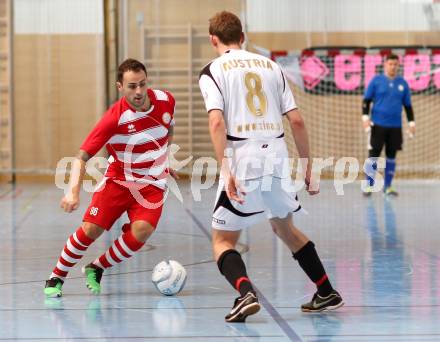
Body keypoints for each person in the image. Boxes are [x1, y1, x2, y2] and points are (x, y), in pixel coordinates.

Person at [198, 11, 343, 323]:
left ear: (214, 39)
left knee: (222, 241)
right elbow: (298, 121)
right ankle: (326, 290)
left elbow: (216, 121)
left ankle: (245, 294)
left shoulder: (213, 70)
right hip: (277, 157)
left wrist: (226, 170)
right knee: (284, 227)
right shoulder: (271, 66)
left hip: (244, 158)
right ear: (243, 36)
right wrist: (307, 167)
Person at [44, 58, 176, 297]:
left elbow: (169, 127)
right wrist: (73, 191)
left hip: (152, 184)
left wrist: (166, 157)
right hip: (119, 181)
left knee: (142, 231)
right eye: (132, 86)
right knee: (91, 230)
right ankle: (56, 276)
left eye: (142, 84)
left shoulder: (166, 101)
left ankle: (97, 267)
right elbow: (81, 156)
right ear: (119, 87)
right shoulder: (114, 118)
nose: (139, 91)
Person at [362, 54, 416, 196]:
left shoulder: (402, 83)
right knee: (373, 155)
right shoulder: (376, 81)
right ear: (385, 65)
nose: (393, 66)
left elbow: (408, 106)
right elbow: (366, 101)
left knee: (391, 156)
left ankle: (388, 187)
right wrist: (365, 118)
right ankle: (369, 186)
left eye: (395, 64)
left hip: (395, 127)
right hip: (378, 125)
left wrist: (412, 123)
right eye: (390, 64)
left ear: (398, 66)